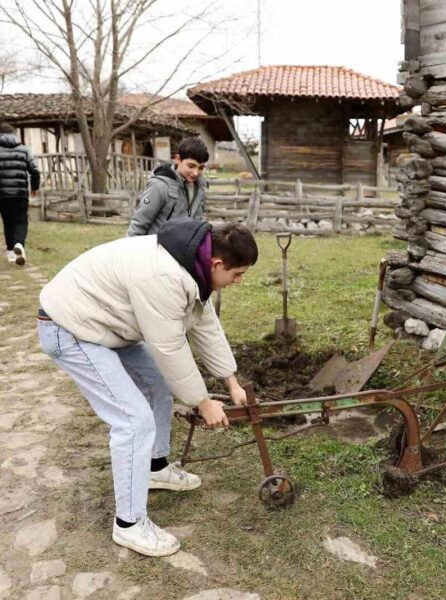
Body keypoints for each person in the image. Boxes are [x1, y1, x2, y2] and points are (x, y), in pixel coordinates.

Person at [37, 217, 258, 556]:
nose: (240, 282)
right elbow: (169, 347)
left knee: (156, 386)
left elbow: (204, 323)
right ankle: (129, 524)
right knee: (132, 420)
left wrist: (230, 380)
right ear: (216, 263)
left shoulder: (194, 267)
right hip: (71, 326)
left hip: (107, 322)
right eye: (238, 274)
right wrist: (202, 402)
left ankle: (155, 468)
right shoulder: (164, 277)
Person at [127, 136, 209, 237]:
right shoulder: (159, 186)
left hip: (183, 250)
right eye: (191, 166)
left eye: (201, 168)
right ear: (178, 159)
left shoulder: (200, 188)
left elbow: (197, 221)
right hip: (156, 248)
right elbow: (139, 223)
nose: (196, 173)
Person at [0, 122, 40, 265]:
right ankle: (19, 244)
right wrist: (35, 187)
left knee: (8, 221)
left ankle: (11, 252)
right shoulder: (24, 150)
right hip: (20, 193)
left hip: (2, 194)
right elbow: (34, 170)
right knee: (21, 220)